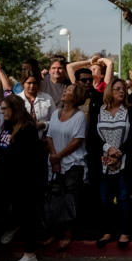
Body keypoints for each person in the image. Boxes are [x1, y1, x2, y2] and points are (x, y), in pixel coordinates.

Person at [89, 78, 132, 250]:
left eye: (124, 89)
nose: (122, 92)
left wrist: (119, 152)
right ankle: (107, 231)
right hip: (103, 161)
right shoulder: (98, 110)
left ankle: (124, 232)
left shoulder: (130, 111)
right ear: (109, 91)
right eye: (117, 88)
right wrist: (108, 148)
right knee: (104, 199)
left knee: (123, 198)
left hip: (124, 161)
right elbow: (92, 136)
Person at [0, 94, 47, 261]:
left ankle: (30, 253)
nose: (2, 112)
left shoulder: (26, 129)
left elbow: (20, 156)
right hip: (14, 180)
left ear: (14, 109)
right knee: (19, 212)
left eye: (4, 108)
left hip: (27, 181)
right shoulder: (10, 127)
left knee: (27, 216)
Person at [45, 83, 89, 251]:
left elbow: (77, 140)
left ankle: (67, 234)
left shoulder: (79, 116)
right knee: (54, 198)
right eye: (65, 90)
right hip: (56, 163)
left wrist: (59, 156)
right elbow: (49, 136)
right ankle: (53, 233)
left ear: (76, 96)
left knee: (69, 199)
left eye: (69, 91)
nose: (65, 92)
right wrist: (54, 157)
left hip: (73, 164)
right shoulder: (56, 113)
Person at [17, 71, 55, 137]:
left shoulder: (47, 98)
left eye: (35, 83)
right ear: (23, 83)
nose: (32, 86)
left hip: (44, 139)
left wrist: (44, 125)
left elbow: (55, 120)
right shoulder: (17, 99)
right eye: (29, 83)